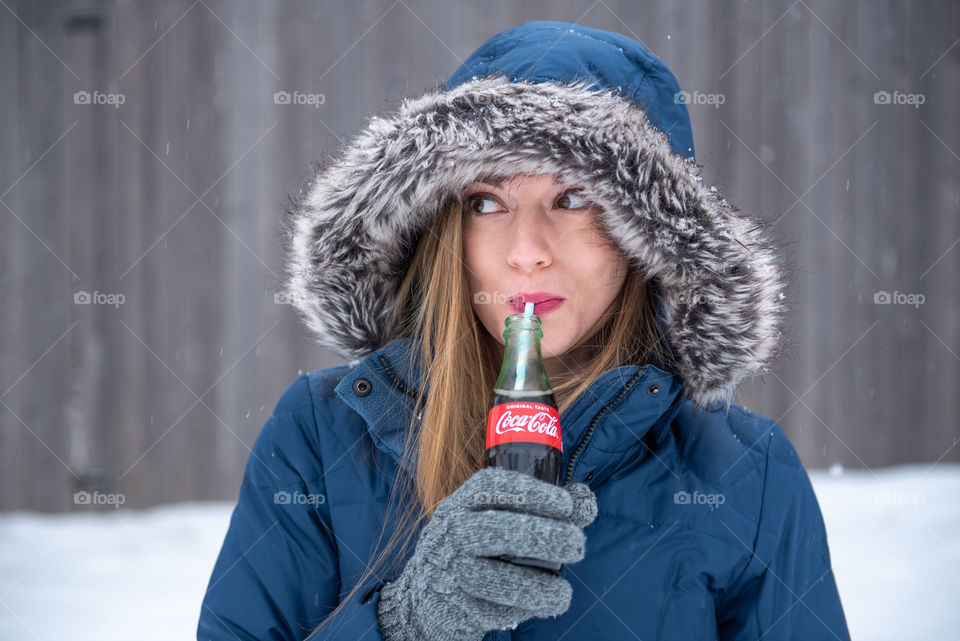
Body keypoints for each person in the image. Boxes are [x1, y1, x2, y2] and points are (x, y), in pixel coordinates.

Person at [197, 21, 850, 641]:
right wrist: (404, 621)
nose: (527, 250)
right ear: (443, 228)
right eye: (487, 202)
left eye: (572, 198)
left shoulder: (742, 471)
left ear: (645, 235)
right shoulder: (320, 436)